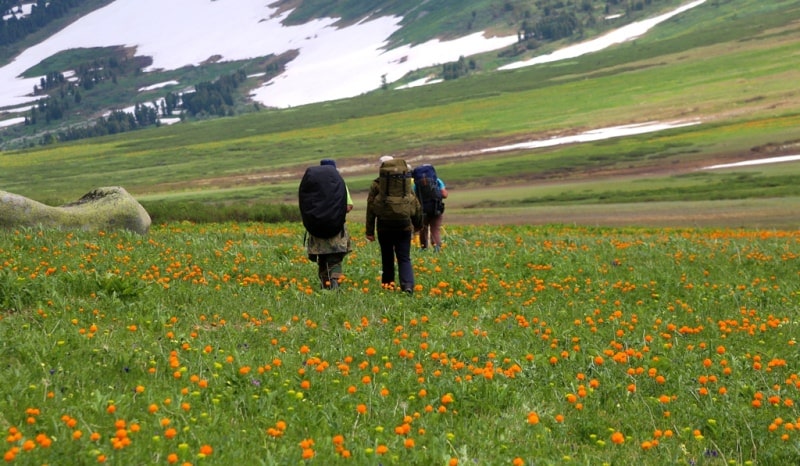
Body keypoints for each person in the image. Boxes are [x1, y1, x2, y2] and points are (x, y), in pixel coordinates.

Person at [365, 157, 422, 294]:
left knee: (387, 257)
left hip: (384, 225)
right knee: (404, 257)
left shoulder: (377, 184)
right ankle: (407, 285)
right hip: (404, 225)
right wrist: (418, 225)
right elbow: (415, 204)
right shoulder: (405, 183)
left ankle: (387, 286)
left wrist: (370, 231)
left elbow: (371, 208)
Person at [301, 159, 353, 290]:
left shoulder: (313, 184)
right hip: (336, 229)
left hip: (316, 229)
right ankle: (335, 285)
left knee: (322, 260)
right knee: (335, 260)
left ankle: (325, 286)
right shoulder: (339, 183)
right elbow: (348, 206)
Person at [412, 164, 448, 252]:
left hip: (422, 211)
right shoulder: (437, 181)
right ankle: (437, 248)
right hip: (436, 209)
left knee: (423, 230)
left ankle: (423, 248)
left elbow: (414, 197)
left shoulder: (416, 184)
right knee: (435, 229)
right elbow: (444, 195)